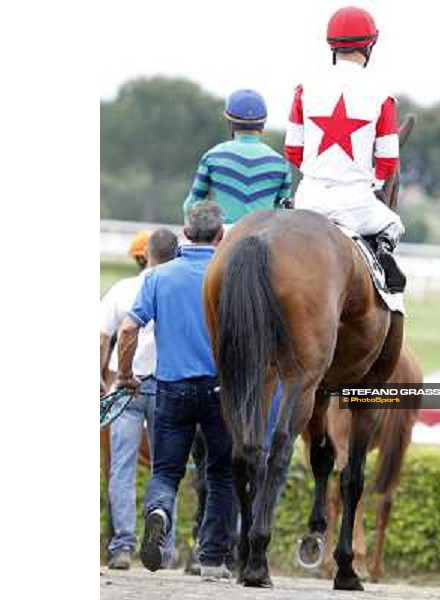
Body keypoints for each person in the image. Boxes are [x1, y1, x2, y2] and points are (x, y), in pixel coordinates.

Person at [116, 203, 236, 582]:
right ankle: (212, 558)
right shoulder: (231, 276)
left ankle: (160, 514)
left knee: (166, 472)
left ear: (185, 235)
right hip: (220, 390)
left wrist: (125, 375)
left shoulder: (158, 277)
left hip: (170, 387)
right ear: (220, 236)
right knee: (220, 474)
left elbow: (127, 331)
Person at [284, 6, 406, 292]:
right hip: (356, 204)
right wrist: (372, 182)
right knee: (393, 225)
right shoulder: (383, 95)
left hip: (308, 201)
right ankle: (384, 258)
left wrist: (318, 172)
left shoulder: (304, 88)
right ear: (370, 45)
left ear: (331, 46)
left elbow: (292, 150)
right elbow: (388, 161)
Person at [100, 228, 180, 570]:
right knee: (167, 468)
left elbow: (102, 336)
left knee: (122, 466)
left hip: (125, 385)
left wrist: (98, 377)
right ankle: (164, 549)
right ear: (175, 255)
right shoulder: (178, 287)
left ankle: (122, 547)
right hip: (166, 386)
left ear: (145, 256)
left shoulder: (122, 288)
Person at [183, 89, 293, 224]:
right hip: (263, 238)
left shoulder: (213, 157)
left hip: (223, 239)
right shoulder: (280, 164)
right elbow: (282, 212)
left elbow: (192, 206)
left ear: (230, 123)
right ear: (263, 124)